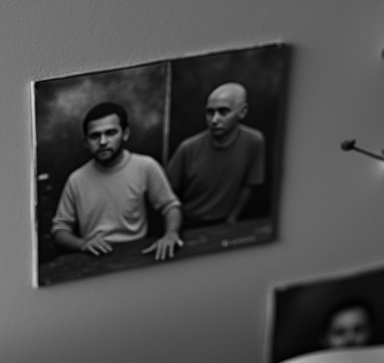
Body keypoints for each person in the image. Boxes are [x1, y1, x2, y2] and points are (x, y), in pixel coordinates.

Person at [51, 102, 183, 261]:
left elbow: (170, 206)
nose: (102, 141)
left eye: (110, 133)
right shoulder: (76, 179)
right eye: (95, 136)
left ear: (125, 133)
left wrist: (171, 234)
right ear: (86, 141)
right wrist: (82, 244)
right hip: (94, 257)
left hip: (137, 252)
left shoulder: (145, 166)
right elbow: (60, 229)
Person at [166, 83, 265, 228]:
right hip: (186, 222)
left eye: (223, 112)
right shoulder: (187, 148)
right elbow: (166, 195)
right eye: (210, 112)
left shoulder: (254, 141)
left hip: (224, 222)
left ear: (242, 112)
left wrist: (231, 220)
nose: (214, 120)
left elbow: (248, 185)